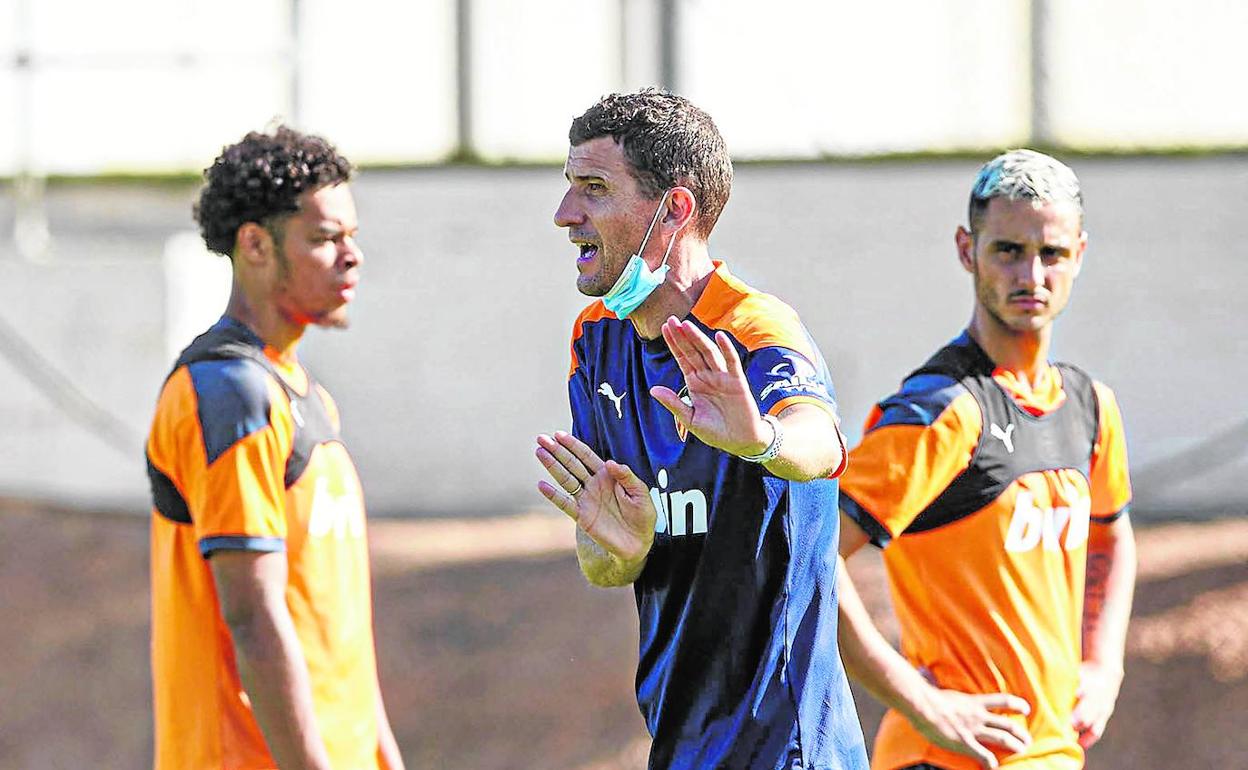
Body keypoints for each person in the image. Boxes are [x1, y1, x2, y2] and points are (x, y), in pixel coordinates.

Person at [535, 89, 869, 770]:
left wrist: (762, 442)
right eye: (570, 188)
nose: (566, 216)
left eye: (593, 189)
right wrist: (617, 550)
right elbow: (607, 562)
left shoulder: (755, 329)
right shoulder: (597, 339)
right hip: (681, 745)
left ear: (675, 210)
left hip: (788, 751)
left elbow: (820, 440)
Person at [835, 150, 1137, 770]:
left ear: (1079, 254)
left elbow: (1111, 535)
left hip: (1050, 755)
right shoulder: (941, 411)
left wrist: (1104, 663)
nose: (1032, 273)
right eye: (1007, 250)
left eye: (1051, 253)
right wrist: (921, 702)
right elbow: (805, 557)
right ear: (966, 250)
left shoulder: (1089, 406)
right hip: (939, 759)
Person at [145, 126, 404, 770]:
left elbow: (336, 629)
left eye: (352, 235)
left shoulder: (302, 393)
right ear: (255, 244)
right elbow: (254, 616)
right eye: (324, 239)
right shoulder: (229, 394)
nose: (352, 256)